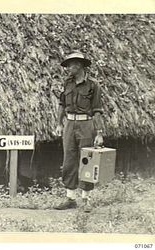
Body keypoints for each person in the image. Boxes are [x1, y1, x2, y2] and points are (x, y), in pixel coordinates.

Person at [54, 51, 104, 213]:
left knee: (87, 161)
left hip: (86, 125)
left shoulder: (93, 85)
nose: (70, 68)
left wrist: (99, 133)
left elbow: (97, 110)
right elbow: (62, 104)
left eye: (73, 64)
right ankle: (70, 198)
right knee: (68, 159)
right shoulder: (67, 83)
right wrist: (59, 124)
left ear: (81, 65)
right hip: (69, 124)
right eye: (68, 65)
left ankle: (86, 199)